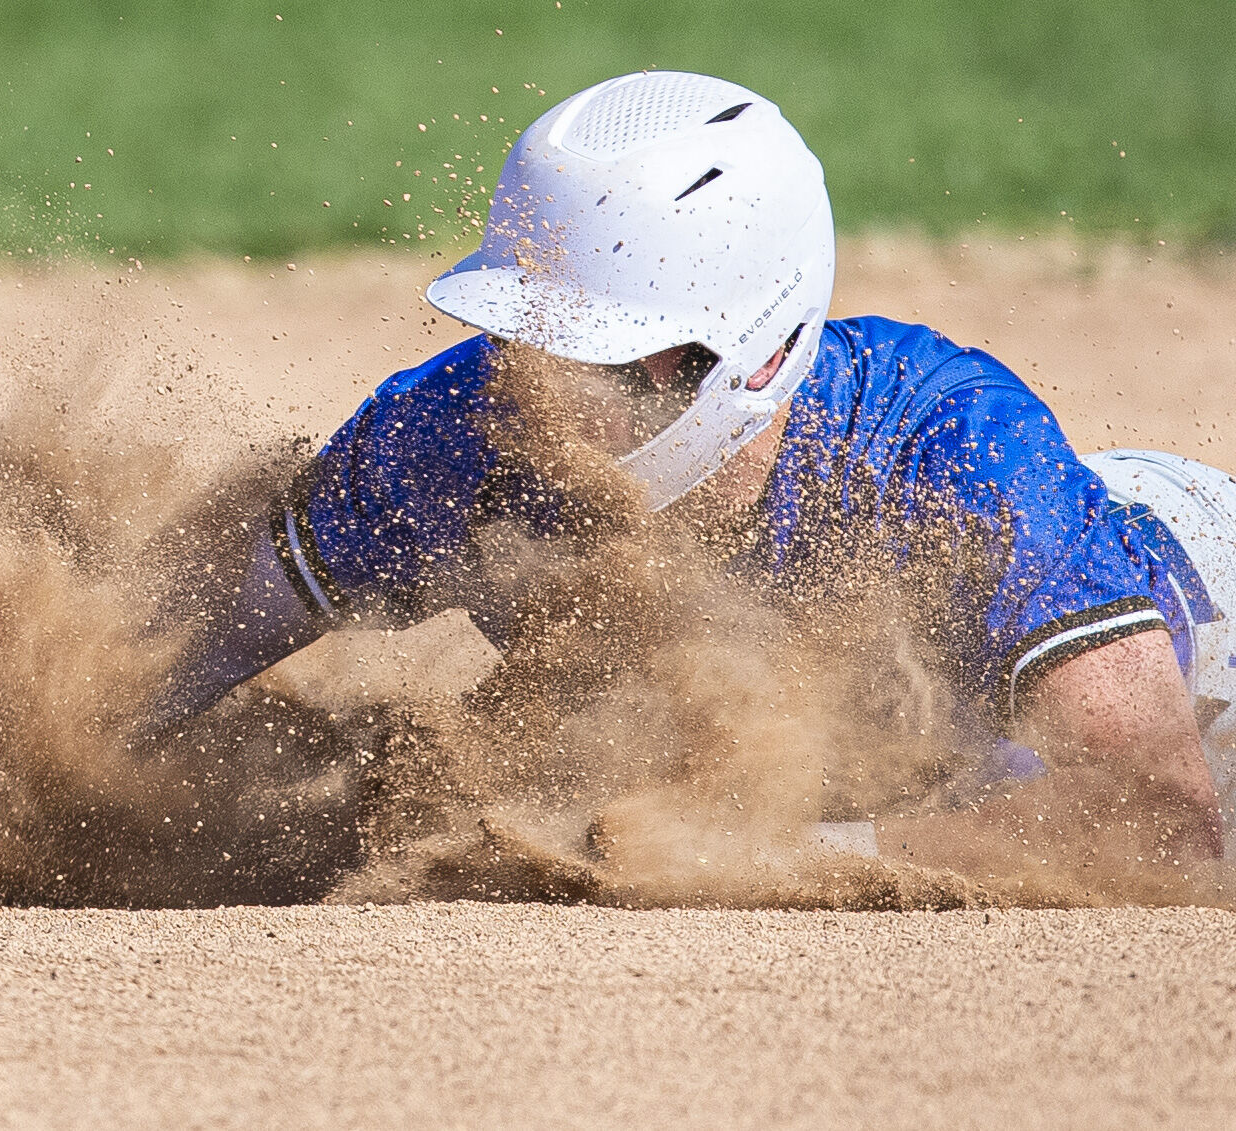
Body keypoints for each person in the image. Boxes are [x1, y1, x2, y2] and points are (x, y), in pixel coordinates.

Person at [150, 70, 1236, 871]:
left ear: (748, 356)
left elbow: (1158, 815)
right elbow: (168, 642)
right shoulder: (456, 428)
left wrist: (780, 850)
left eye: (593, 354)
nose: (530, 395)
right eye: (524, 337)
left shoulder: (958, 452)